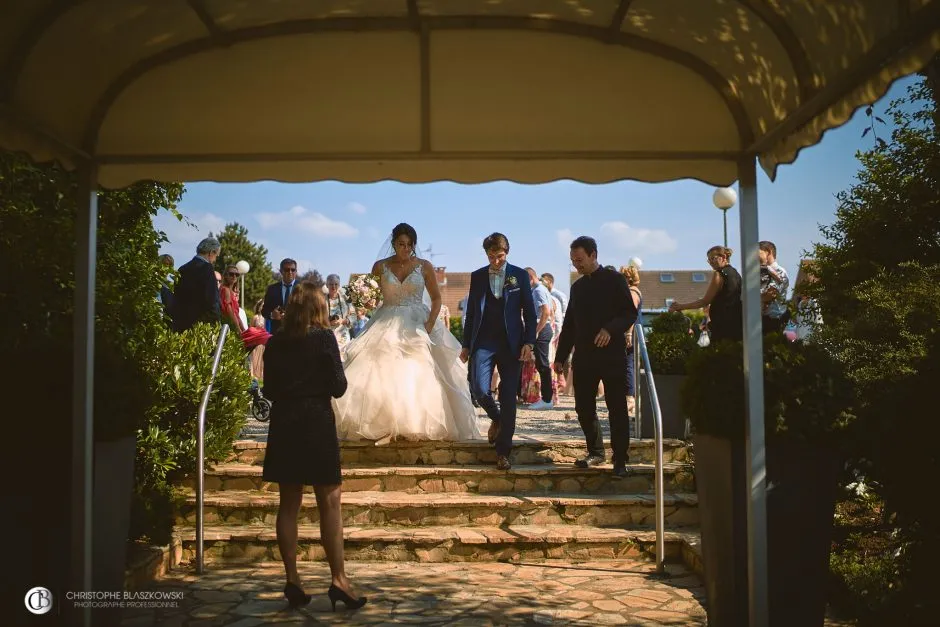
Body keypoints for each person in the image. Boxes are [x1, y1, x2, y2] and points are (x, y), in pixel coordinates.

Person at [261, 281, 366, 612]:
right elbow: (338, 386)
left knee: (288, 503)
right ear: (319, 307)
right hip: (317, 421)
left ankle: (292, 579)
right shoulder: (323, 338)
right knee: (330, 501)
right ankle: (339, 580)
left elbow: (269, 391)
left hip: (285, 423)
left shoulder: (275, 342)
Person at [333, 223, 479, 442]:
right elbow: (372, 299)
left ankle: (414, 423)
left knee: (418, 369)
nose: (405, 249)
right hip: (386, 319)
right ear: (393, 244)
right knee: (378, 368)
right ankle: (381, 423)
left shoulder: (425, 266)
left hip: (418, 321)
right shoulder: (380, 266)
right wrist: (364, 298)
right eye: (401, 244)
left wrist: (429, 326)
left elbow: (437, 299)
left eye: (409, 245)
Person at [553, 236, 637, 478]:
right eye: (572, 261)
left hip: (611, 357)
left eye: (579, 259)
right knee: (583, 407)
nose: (576, 265)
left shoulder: (615, 280)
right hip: (585, 357)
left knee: (617, 408)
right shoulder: (577, 287)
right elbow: (569, 325)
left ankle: (620, 459)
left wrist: (610, 329)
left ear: (593, 255)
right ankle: (596, 451)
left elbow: (628, 313)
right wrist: (560, 357)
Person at [460, 233, 537, 471]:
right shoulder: (477, 276)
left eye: (500, 256)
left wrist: (529, 342)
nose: (496, 261)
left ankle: (503, 452)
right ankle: (497, 419)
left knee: (508, 397)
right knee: (480, 389)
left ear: (507, 253)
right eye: (491, 257)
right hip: (483, 341)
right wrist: (465, 344)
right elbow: (471, 313)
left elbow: (530, 313)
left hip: (512, 344)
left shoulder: (520, 276)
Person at [669, 245, 742, 343]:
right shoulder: (736, 274)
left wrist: (681, 306)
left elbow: (705, 301)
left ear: (723, 257)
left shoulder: (719, 274)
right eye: (709, 260)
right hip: (737, 321)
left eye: (713, 258)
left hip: (722, 323)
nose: (711, 262)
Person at [172, 237, 221, 332]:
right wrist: (216, 323)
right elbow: (212, 300)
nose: (215, 259)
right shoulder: (207, 268)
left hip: (180, 324)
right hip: (199, 327)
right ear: (211, 253)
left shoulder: (182, 269)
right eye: (216, 255)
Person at [262, 258, 300, 334]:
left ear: (296, 271)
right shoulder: (272, 289)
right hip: (277, 333)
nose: (290, 272)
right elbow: (264, 310)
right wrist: (272, 315)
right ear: (281, 271)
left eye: (293, 270)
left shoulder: (303, 288)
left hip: (298, 333)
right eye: (286, 269)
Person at [219, 264, 247, 333]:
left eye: (237, 274)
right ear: (225, 275)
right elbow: (230, 312)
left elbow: (236, 314)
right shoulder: (225, 290)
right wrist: (238, 329)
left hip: (231, 326)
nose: (234, 276)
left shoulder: (230, 291)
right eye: (231, 274)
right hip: (229, 327)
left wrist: (244, 330)